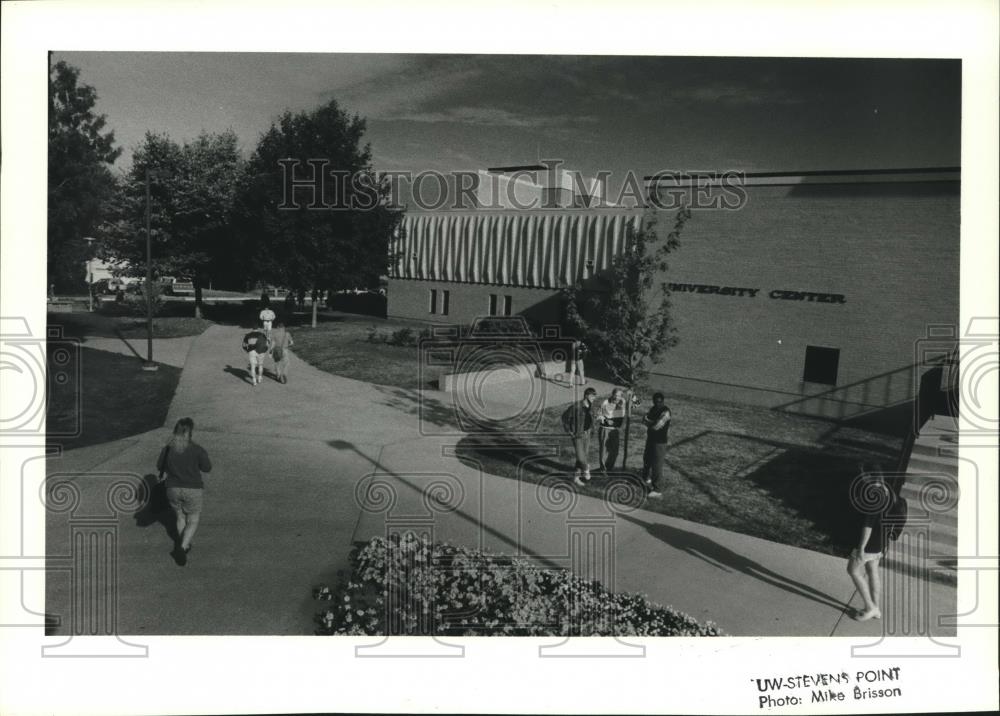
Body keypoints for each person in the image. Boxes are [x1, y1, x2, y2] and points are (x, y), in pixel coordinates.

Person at [156, 417, 212, 566]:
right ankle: (181, 547)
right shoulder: (197, 449)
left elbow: (159, 466)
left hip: (172, 488)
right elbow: (207, 468)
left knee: (180, 517)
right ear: (191, 432)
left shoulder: (168, 449)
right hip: (193, 489)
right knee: (193, 519)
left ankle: (185, 544)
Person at [847, 465, 893, 621]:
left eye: (863, 474)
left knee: (853, 570)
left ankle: (870, 607)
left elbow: (868, 524)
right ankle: (876, 607)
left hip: (870, 542)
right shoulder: (886, 489)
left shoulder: (872, 494)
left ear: (868, 474)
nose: (861, 476)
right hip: (880, 540)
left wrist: (861, 547)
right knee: (873, 571)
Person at [562, 387, 597, 486]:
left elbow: (590, 419)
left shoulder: (591, 406)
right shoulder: (576, 406)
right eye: (592, 396)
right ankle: (586, 470)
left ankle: (576, 478)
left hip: (587, 434)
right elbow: (564, 418)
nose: (594, 398)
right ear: (586, 395)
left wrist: (593, 426)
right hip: (578, 435)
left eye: (595, 396)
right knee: (581, 457)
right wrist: (570, 432)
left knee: (581, 456)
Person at [641, 392, 671, 498]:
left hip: (660, 442)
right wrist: (650, 421)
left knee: (657, 465)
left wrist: (649, 421)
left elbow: (657, 426)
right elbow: (644, 419)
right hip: (651, 439)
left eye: (659, 401)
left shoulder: (666, 411)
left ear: (663, 401)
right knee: (647, 459)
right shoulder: (653, 409)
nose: (657, 403)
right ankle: (646, 478)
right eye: (655, 401)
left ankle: (657, 489)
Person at [598, 388, 626, 473]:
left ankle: (609, 468)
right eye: (615, 395)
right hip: (605, 429)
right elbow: (598, 415)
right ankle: (603, 470)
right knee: (604, 451)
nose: (617, 397)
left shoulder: (622, 402)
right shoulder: (606, 402)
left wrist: (631, 394)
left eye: (619, 395)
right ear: (612, 394)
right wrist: (606, 420)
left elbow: (637, 403)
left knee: (614, 451)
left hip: (615, 430)